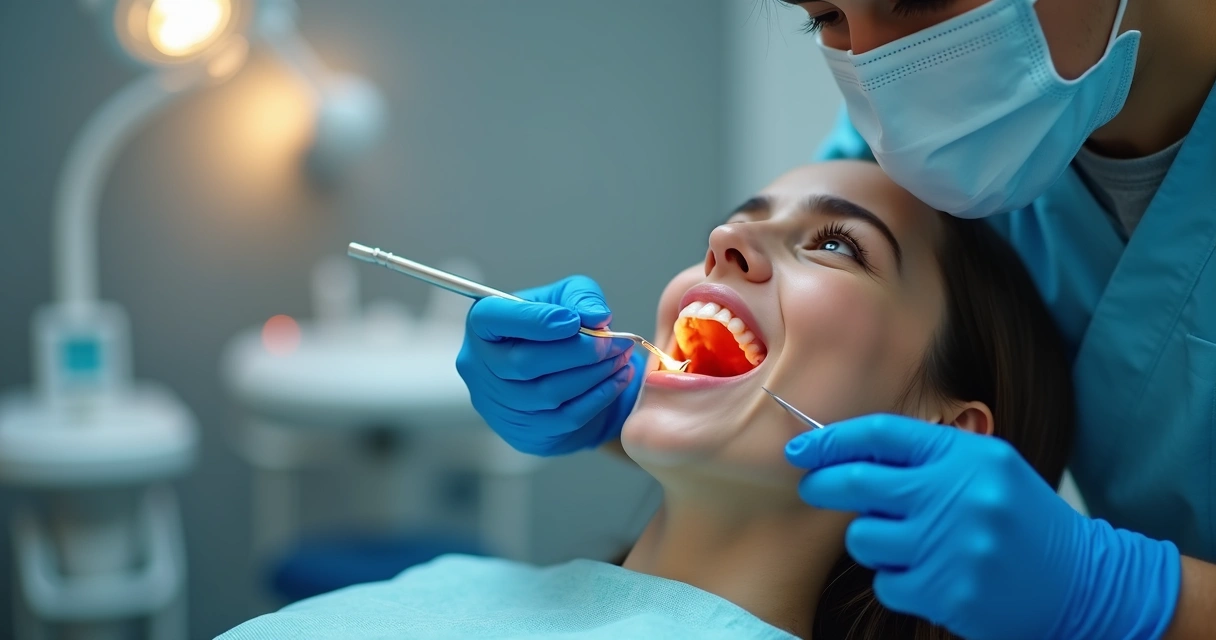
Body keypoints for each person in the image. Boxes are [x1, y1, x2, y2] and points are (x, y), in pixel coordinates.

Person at [457, 0, 1216, 637]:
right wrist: (618, 400)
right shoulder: (942, 144)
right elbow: (803, 411)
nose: (727, 242)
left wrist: (1126, 594)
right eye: (823, 15)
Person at [220, 162, 1076, 639]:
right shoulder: (454, 583)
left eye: (836, 244)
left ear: (946, 436)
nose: (725, 241)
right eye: (742, 220)